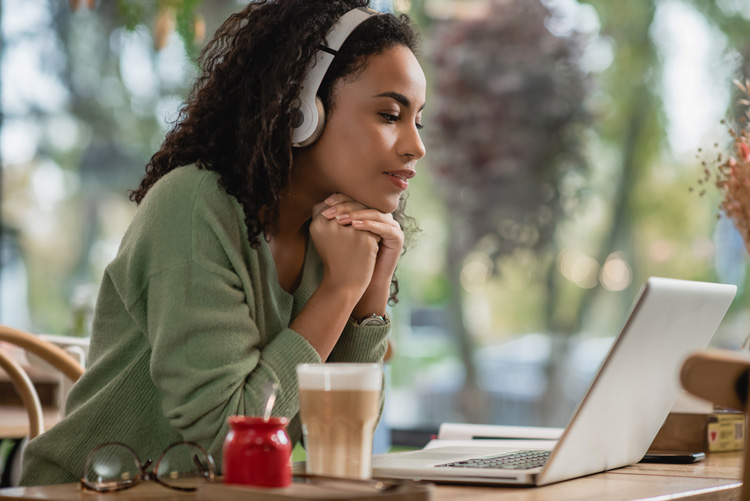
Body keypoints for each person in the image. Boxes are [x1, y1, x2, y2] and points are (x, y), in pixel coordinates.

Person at [20, 0, 425, 486]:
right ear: (301, 109)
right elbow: (225, 441)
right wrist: (339, 292)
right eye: (389, 114)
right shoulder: (193, 206)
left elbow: (335, 445)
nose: (415, 145)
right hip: (93, 494)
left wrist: (370, 295)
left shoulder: (336, 238)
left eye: (418, 120)